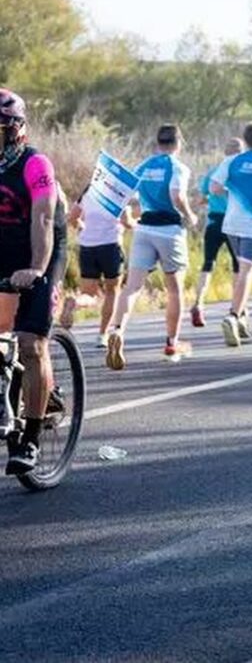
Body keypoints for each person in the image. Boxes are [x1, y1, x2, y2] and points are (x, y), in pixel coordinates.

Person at [106, 124, 197, 370]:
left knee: (132, 287)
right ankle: (172, 342)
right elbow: (176, 194)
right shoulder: (178, 167)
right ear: (179, 143)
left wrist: (129, 216)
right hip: (169, 230)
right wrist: (190, 215)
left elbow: (125, 193)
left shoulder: (144, 166)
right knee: (174, 289)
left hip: (144, 229)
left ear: (157, 143)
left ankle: (117, 330)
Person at [0, 89, 58, 474]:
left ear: (17, 129)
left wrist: (37, 267)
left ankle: (31, 440)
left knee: (30, 343)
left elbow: (43, 219)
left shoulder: (35, 164)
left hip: (41, 248)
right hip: (4, 248)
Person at [210, 122, 252, 349]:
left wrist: (233, 191)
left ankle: (240, 317)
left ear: (245, 139)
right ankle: (233, 314)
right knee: (246, 272)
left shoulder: (231, 161)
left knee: (240, 271)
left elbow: (214, 188)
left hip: (231, 224)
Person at [62, 183, 131, 347]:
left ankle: (74, 302)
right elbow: (127, 221)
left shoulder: (88, 192)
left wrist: (81, 228)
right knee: (112, 291)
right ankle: (102, 335)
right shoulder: (119, 193)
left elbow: (72, 217)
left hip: (87, 248)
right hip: (111, 246)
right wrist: (138, 223)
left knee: (89, 294)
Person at [190, 137, 243, 328]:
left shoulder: (214, 172)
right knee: (239, 266)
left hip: (214, 221)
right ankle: (238, 309)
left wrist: (210, 201)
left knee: (208, 264)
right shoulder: (240, 173)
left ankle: (199, 303)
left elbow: (201, 198)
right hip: (233, 223)